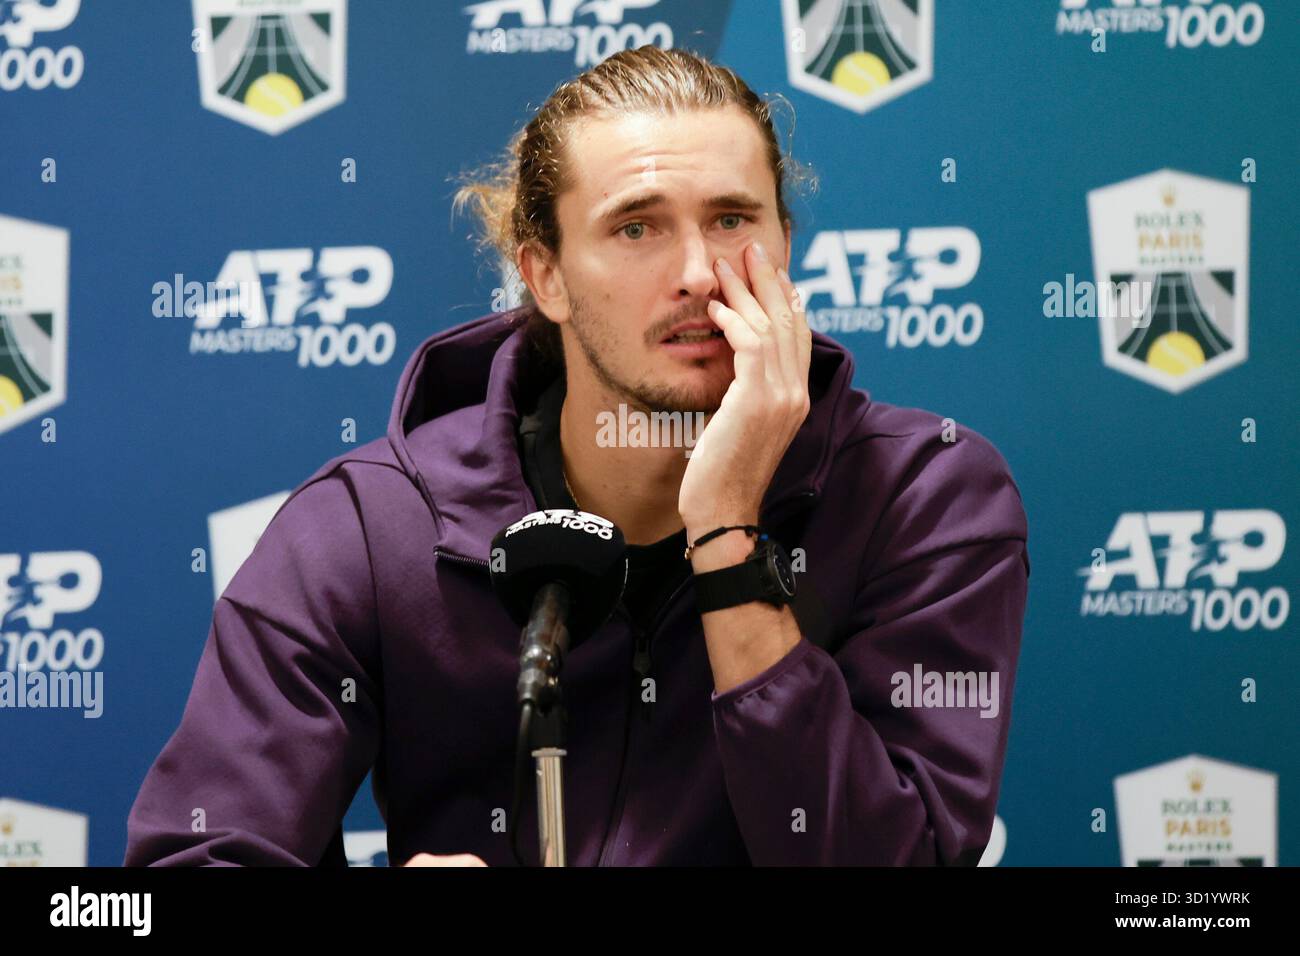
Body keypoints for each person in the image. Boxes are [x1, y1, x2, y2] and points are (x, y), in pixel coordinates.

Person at [124, 46, 1029, 867]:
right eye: (636, 227)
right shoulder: (372, 528)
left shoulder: (925, 498)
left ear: (784, 244)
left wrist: (727, 537)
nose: (698, 273)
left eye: (730, 219)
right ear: (545, 275)